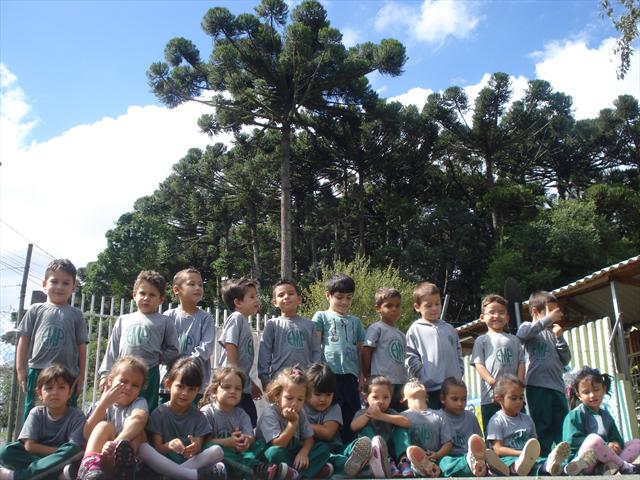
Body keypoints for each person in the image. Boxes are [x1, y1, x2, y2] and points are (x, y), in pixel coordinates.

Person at [16, 258, 88, 420]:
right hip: (38, 370)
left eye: (65, 283)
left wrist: (81, 375)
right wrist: (21, 369)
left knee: (67, 412)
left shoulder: (76, 315)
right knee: (34, 411)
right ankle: (29, 443)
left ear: (73, 287)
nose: (59, 287)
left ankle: (64, 442)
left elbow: (82, 347)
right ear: (44, 284)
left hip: (68, 372)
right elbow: (24, 340)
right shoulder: (36, 310)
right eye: (54, 281)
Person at [98, 270, 179, 412]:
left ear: (160, 299)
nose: (146, 298)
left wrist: (157, 357)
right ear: (134, 295)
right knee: (118, 407)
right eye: (142, 293)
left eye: (152, 295)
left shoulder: (164, 321)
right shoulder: (124, 320)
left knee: (146, 409)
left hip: (149, 373)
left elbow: (173, 349)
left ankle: (143, 434)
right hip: (122, 374)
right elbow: (112, 350)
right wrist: (105, 375)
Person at [138, 357, 226, 480]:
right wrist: (169, 445)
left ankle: (172, 476)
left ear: (198, 391)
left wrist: (195, 447)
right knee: (143, 448)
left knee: (217, 451)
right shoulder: (159, 413)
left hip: (187, 464)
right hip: (163, 464)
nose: (185, 393)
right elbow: (157, 449)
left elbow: (198, 448)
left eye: (191, 389)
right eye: (180, 387)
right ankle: (190, 476)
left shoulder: (199, 417)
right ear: (168, 384)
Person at [0, 365, 86, 480]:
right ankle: (55, 474)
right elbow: (30, 446)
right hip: (52, 460)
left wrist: (61, 455)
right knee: (5, 451)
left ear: (70, 392)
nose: (55, 392)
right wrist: (56, 457)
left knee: (74, 451)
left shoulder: (77, 415)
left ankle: (17, 477)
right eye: (49, 388)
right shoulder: (36, 413)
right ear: (39, 393)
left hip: (64, 459)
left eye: (61, 387)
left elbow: (74, 449)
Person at [312, 273, 366, 443]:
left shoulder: (356, 322)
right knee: (331, 412)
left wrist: (363, 375)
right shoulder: (321, 316)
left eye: (348, 297)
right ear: (328, 296)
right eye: (339, 297)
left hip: (350, 375)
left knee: (352, 412)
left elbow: (360, 350)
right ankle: (331, 448)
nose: (344, 301)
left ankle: (352, 448)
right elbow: (315, 345)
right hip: (329, 375)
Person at [516, 290, 571, 456]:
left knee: (562, 425)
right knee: (541, 425)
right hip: (536, 386)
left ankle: (565, 458)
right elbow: (523, 334)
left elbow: (566, 359)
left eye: (556, 311)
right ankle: (541, 459)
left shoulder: (553, 333)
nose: (555, 315)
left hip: (557, 387)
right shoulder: (528, 327)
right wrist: (547, 320)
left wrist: (560, 338)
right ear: (534, 311)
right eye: (550, 311)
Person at [77, 356, 149, 480]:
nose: (128, 387)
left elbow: (140, 419)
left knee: (138, 430)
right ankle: (88, 467)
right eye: (123, 381)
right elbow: (87, 434)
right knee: (104, 426)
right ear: (110, 380)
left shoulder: (139, 403)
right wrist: (103, 404)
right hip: (101, 464)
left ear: (140, 389)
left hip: (128, 463)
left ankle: (125, 470)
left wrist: (116, 444)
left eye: (135, 385)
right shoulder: (100, 406)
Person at [200, 366, 278, 480]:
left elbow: (250, 437)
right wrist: (228, 442)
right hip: (220, 459)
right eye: (227, 387)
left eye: (238, 388)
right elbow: (204, 442)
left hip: (240, 454)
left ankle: (255, 468)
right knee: (210, 447)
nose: (233, 391)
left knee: (260, 444)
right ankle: (255, 470)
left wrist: (245, 440)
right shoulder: (207, 412)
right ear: (214, 391)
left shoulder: (241, 414)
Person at [485, 374, 570, 476]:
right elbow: (498, 450)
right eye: (513, 398)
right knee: (508, 463)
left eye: (521, 397)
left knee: (539, 462)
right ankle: (518, 468)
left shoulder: (527, 419)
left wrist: (529, 455)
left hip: (529, 459)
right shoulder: (497, 421)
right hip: (508, 459)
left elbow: (534, 444)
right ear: (499, 399)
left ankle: (556, 467)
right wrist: (521, 454)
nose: (519, 401)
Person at [256, 366, 332, 480]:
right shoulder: (270, 414)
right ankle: (306, 473)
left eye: (300, 399)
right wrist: (292, 424)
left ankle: (294, 474)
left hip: (293, 455)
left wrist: (304, 453)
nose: (295, 404)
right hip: (273, 456)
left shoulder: (300, 413)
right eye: (289, 398)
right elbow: (278, 445)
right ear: (277, 395)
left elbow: (309, 439)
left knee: (323, 448)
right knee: (274, 453)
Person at [563, 366, 640, 475]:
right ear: (579, 396)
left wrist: (615, 443)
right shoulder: (575, 415)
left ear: (603, 389)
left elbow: (616, 437)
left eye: (596, 390)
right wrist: (604, 445)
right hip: (585, 462)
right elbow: (571, 442)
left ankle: (607, 469)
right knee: (594, 439)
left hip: (605, 460)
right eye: (586, 392)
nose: (592, 395)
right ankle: (623, 466)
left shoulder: (606, 415)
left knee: (636, 443)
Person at [303, 363, 372, 477]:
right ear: (306, 392)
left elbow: (328, 433)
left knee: (346, 451)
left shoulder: (334, 407)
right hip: (313, 452)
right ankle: (361, 467)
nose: (323, 399)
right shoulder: (301, 406)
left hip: (334, 448)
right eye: (318, 394)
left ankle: (360, 455)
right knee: (334, 459)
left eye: (328, 395)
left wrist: (302, 425)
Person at [471, 294, 525, 431]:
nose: (497, 316)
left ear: (507, 317)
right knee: (492, 430)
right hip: (491, 396)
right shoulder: (481, 340)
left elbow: (521, 363)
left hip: (513, 395)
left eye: (501, 312)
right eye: (492, 312)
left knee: (517, 428)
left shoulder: (514, 340)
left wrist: (519, 383)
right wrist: (493, 383)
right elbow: (479, 364)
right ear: (482, 317)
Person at [162, 268, 215, 404]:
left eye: (200, 284)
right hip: (169, 381)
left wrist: (187, 365)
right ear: (176, 289)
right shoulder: (168, 317)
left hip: (195, 382)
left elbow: (206, 347)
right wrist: (176, 367)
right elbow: (162, 346)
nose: (197, 287)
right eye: (191, 284)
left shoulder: (206, 318)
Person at [405, 282, 462, 410]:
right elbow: (410, 356)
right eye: (429, 305)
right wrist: (423, 377)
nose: (434, 308)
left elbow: (458, 352)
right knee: (435, 422)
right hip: (431, 389)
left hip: (454, 387)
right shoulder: (415, 330)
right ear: (417, 307)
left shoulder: (449, 329)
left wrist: (459, 374)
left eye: (437, 304)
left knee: (454, 420)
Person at [258, 280, 321, 390]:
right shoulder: (272, 325)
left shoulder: (310, 325)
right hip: (279, 380)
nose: (286, 297)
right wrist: (264, 378)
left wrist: (315, 375)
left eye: (291, 293)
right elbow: (265, 352)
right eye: (281, 295)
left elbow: (316, 351)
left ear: (299, 299)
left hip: (305, 379)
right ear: (275, 302)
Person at [218, 277, 262, 427]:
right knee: (242, 420)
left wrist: (251, 384)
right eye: (251, 296)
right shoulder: (236, 318)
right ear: (238, 303)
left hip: (242, 384)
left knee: (250, 419)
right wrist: (232, 374)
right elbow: (231, 345)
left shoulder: (244, 321)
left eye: (256, 295)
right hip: (233, 383)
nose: (256, 299)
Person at [350, 375, 411, 478]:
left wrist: (382, 416)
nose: (381, 401)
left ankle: (403, 462)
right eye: (375, 397)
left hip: (391, 450)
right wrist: (368, 415)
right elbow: (353, 427)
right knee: (365, 429)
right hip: (373, 455)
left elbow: (407, 423)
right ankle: (386, 462)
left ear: (391, 399)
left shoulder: (390, 412)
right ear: (365, 398)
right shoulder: (363, 412)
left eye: (385, 397)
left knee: (400, 429)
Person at [392, 379, 453, 478]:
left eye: (419, 383)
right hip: (411, 465)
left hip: (436, 461)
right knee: (399, 430)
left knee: (448, 461)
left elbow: (448, 443)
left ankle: (471, 463)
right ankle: (406, 463)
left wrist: (437, 455)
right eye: (410, 384)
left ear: (427, 397)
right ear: (403, 398)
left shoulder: (440, 415)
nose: (415, 383)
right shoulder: (400, 417)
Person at [362, 288, 407, 411]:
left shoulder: (402, 335)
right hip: (382, 383)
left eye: (397, 306)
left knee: (398, 414)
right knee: (381, 412)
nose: (394, 309)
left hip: (400, 382)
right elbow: (366, 350)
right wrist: (367, 374)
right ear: (378, 308)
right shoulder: (376, 328)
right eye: (389, 305)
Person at [436, 377, 489, 478]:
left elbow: (478, 441)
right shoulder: (438, 417)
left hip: (472, 456)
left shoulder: (471, 416)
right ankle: (471, 465)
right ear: (443, 399)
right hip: (451, 458)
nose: (460, 403)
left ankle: (475, 465)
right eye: (455, 399)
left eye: (464, 399)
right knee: (443, 462)